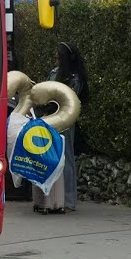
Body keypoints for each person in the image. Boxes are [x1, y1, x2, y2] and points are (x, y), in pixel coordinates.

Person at [33, 42, 87, 214]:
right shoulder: (55, 72)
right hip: (50, 117)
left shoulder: (74, 77)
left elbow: (70, 97)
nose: (57, 59)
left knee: (67, 157)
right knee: (50, 156)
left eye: (59, 56)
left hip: (64, 119)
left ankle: (69, 199)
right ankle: (50, 198)